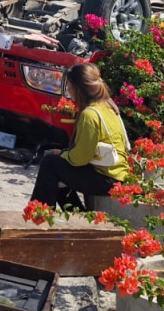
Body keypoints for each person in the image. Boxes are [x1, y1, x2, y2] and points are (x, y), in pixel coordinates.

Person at [29, 63, 130, 209]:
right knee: (57, 169)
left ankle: (38, 215)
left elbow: (79, 159)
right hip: (117, 176)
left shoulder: (90, 114)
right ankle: (75, 216)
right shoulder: (109, 107)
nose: (68, 90)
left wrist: (63, 154)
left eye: (69, 85)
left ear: (78, 88)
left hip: (107, 179)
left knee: (50, 164)